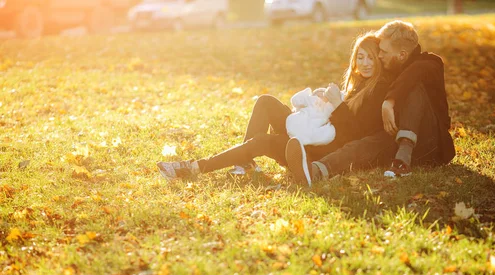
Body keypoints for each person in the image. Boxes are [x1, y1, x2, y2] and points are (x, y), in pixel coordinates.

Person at [156, 32, 389, 182]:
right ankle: (245, 160)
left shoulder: (378, 90)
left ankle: (193, 168)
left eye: (371, 58)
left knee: (262, 142)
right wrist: (323, 100)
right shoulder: (357, 84)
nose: (365, 63)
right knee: (266, 102)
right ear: (354, 60)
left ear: (379, 60)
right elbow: (334, 115)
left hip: (315, 150)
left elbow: (356, 135)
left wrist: (337, 105)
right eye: (360, 57)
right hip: (309, 132)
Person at [286, 20, 455, 186]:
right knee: (364, 144)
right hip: (395, 137)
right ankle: (316, 170)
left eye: (383, 52)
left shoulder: (428, 64)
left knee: (414, 87)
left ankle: (404, 154)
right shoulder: (390, 69)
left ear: (402, 55)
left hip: (431, 144)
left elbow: (413, 73)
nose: (379, 55)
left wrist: (389, 101)